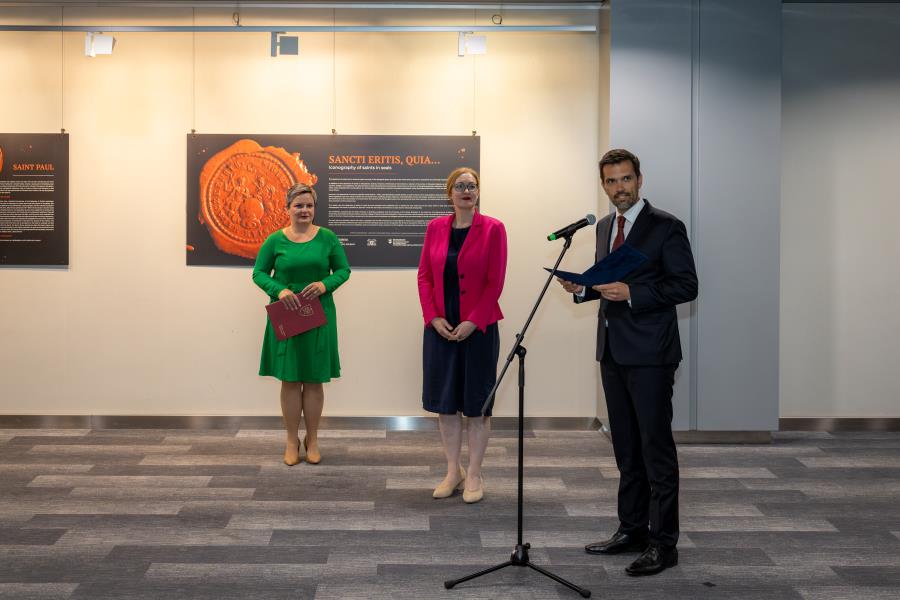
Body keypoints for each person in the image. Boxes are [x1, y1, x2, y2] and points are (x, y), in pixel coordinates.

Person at [557, 149, 698, 576]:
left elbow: (686, 285)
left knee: (655, 449)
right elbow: (607, 281)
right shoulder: (605, 227)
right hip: (613, 351)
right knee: (626, 449)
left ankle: (664, 543)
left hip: (652, 355)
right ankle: (632, 530)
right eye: (611, 181)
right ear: (603, 185)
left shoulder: (666, 226)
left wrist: (634, 294)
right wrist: (583, 289)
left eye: (626, 179)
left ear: (639, 179)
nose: (619, 188)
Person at [417, 167, 507, 504]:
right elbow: (424, 276)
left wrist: (474, 320)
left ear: (478, 191)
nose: (466, 190)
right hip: (440, 328)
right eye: (459, 186)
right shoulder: (434, 228)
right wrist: (432, 316)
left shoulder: (494, 229)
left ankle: (474, 474)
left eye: (471, 185)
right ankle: (452, 471)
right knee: (446, 404)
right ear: (449, 193)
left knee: (477, 406)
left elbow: (495, 282)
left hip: (478, 329)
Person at [252, 183, 351, 466]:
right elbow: (259, 273)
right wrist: (279, 289)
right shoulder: (274, 240)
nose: (304, 210)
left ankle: (313, 439)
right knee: (291, 379)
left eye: (309, 205)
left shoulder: (327, 238)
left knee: (315, 380)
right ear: (287, 209)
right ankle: (291, 440)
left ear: (314, 208)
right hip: (287, 314)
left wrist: (324, 284)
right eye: (298, 205)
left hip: (319, 316)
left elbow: (343, 270)